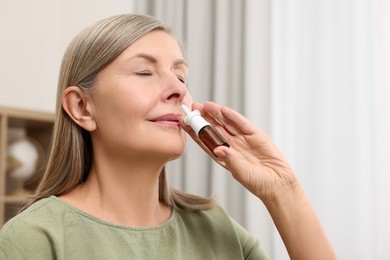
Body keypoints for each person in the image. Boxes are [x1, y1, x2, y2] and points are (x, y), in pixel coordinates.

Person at [0, 14, 336, 259]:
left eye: (181, 76)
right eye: (145, 72)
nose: (178, 89)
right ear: (83, 107)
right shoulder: (35, 239)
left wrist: (283, 190)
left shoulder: (216, 230)